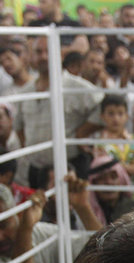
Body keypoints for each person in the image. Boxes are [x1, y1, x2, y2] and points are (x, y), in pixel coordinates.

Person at [13, 36, 104, 186]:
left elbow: (105, 107)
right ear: (31, 56)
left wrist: (82, 133)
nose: (43, 56)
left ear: (60, 55)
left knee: (74, 207)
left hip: (71, 165)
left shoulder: (76, 86)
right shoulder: (26, 91)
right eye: (38, 51)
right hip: (37, 169)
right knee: (39, 209)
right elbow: (19, 127)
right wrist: (31, 149)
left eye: (48, 51)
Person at [92, 94, 134, 197]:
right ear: (102, 116)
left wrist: (119, 166)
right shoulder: (99, 144)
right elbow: (106, 173)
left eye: (120, 114)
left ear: (127, 116)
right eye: (111, 114)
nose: (116, 118)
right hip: (114, 201)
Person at [86, 154, 134, 225]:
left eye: (113, 176)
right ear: (93, 183)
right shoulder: (87, 211)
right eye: (102, 178)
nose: (109, 182)